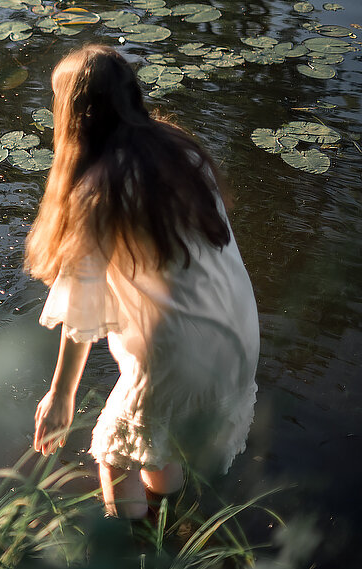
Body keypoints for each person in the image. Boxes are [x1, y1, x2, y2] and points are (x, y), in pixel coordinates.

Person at [25, 44, 259, 519]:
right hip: (237, 333)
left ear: (75, 114)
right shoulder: (180, 148)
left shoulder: (98, 188)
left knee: (114, 458)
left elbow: (80, 306)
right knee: (156, 441)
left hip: (180, 350)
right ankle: (171, 526)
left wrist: (61, 396)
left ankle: (132, 548)